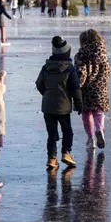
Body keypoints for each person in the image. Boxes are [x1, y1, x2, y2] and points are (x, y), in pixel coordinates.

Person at [37, 36, 83, 168]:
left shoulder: (46, 67)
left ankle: (51, 158)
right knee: (67, 130)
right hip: (63, 106)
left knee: (51, 133)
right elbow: (75, 88)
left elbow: (39, 84)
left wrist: (46, 94)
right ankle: (66, 153)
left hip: (48, 106)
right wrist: (79, 104)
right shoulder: (69, 69)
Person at [75, 30, 111, 151]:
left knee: (87, 114)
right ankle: (99, 129)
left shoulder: (81, 55)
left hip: (86, 90)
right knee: (99, 112)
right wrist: (103, 83)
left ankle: (91, 139)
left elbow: (81, 73)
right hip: (100, 88)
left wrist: (77, 86)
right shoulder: (103, 54)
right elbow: (107, 71)